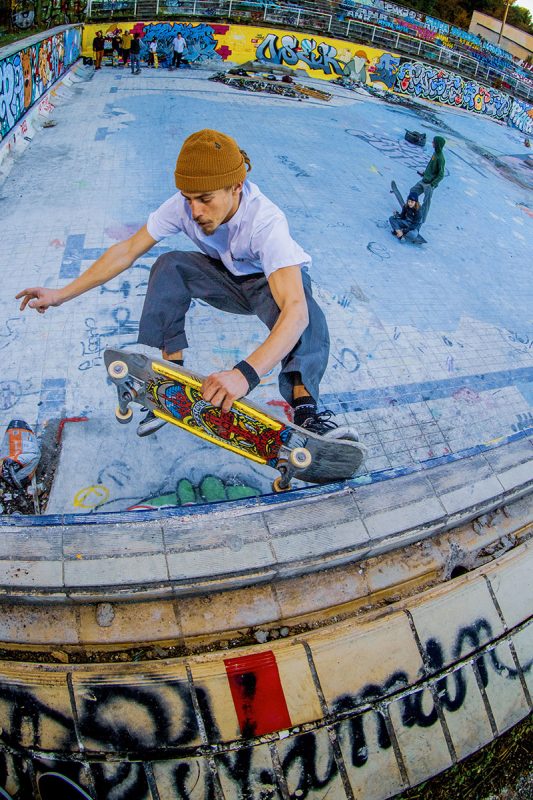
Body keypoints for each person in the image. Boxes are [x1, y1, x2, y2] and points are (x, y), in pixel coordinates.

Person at [17, 129, 351, 440]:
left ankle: (307, 412)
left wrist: (244, 375)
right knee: (169, 265)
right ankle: (171, 382)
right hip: (226, 281)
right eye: (189, 199)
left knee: (304, 310)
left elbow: (295, 312)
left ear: (237, 186)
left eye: (205, 199)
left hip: (268, 285)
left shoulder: (266, 221)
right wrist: (61, 294)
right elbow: (127, 250)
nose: (195, 211)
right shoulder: (181, 207)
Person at [410, 136, 446, 223]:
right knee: (413, 191)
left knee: (426, 202)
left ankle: (421, 220)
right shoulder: (435, 153)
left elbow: (441, 175)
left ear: (437, 144)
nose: (432, 143)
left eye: (434, 142)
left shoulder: (441, 158)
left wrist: (432, 184)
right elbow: (431, 167)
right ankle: (414, 210)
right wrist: (425, 173)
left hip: (429, 184)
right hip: (424, 180)